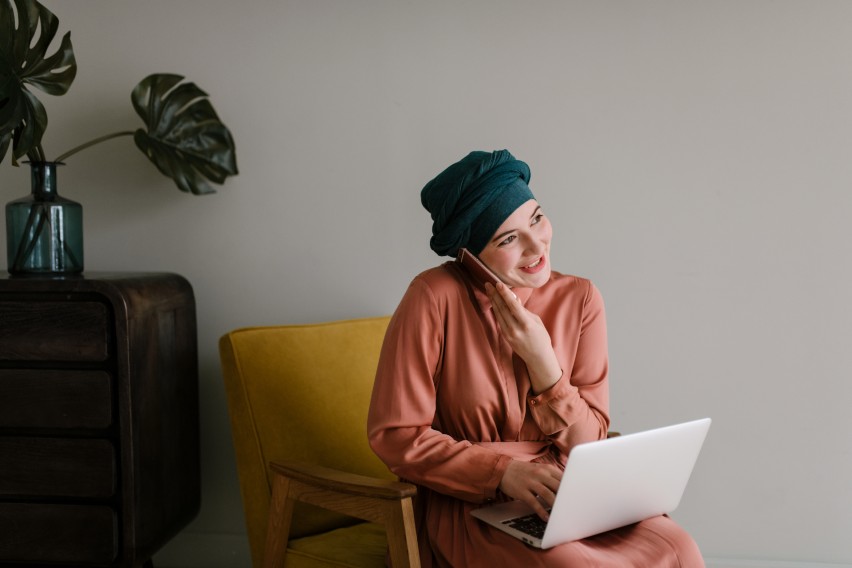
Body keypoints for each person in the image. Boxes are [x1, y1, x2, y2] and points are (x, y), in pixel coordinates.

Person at [367, 150, 704, 567]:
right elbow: (397, 435)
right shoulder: (433, 297)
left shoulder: (580, 298)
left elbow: (591, 442)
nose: (536, 245)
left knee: (679, 548)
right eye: (507, 239)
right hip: (470, 503)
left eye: (537, 219)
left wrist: (544, 364)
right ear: (470, 255)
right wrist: (502, 473)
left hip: (571, 493)